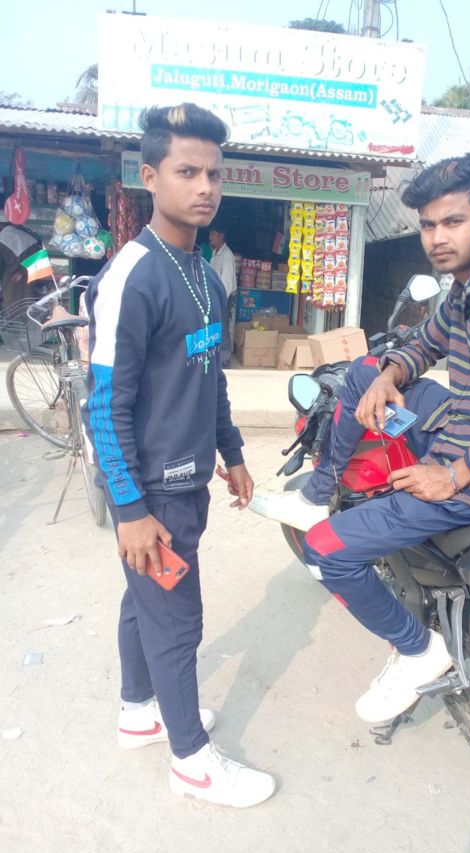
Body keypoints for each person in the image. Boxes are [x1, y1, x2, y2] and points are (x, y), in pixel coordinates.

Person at [250, 153, 470, 724]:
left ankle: (417, 651)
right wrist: (389, 375)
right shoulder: (469, 288)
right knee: (360, 374)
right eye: (428, 225)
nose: (438, 237)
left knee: (328, 551)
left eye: (453, 221)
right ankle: (317, 493)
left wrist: (451, 475)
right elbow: (426, 340)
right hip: (468, 424)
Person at [83, 103, 275, 808]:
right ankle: (192, 760)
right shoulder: (133, 275)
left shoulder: (205, 275)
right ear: (149, 176)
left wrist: (233, 451)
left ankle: (141, 712)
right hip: (152, 490)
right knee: (176, 619)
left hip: (190, 479)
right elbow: (104, 404)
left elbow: (210, 375)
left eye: (214, 174)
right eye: (187, 171)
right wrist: (130, 508)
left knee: (145, 602)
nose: (204, 187)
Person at [208, 221, 237, 368]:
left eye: (213, 234)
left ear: (221, 236)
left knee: (223, 327)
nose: (210, 237)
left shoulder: (227, 255)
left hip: (223, 297)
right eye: (210, 234)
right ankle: (216, 357)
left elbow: (227, 283)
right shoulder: (215, 254)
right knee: (215, 327)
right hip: (214, 297)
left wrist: (220, 300)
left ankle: (225, 360)